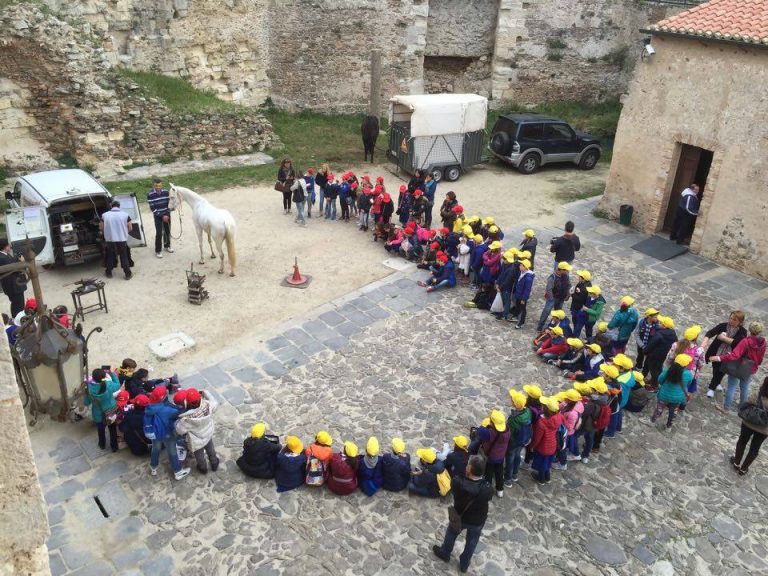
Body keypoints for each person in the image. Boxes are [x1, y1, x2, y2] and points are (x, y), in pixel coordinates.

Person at [432, 455, 494, 573]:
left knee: (451, 533)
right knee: (472, 542)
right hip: (477, 520)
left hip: (460, 515)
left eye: (467, 464)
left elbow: (454, 488)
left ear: (469, 469)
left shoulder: (458, 481)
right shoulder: (487, 488)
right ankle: (464, 564)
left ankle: (445, 552)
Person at [711, 322, 766, 412]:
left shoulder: (745, 341)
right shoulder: (763, 343)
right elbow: (760, 358)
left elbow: (734, 356)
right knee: (745, 387)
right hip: (751, 368)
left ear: (750, 329)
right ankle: (742, 407)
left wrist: (719, 357)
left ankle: (726, 408)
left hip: (739, 366)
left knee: (732, 386)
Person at [144, 386, 190, 479]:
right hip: (167, 433)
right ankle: (178, 471)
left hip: (155, 433)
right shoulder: (167, 410)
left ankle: (153, 467)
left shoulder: (150, 405)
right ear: (164, 397)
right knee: (172, 450)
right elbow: (180, 413)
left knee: (156, 448)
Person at [175, 388, 219, 474]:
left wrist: (177, 422)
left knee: (199, 455)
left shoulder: (186, 419)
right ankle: (214, 463)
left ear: (187, 402)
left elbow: (179, 431)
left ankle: (203, 468)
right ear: (200, 398)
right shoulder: (208, 405)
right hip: (208, 433)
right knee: (210, 448)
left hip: (196, 440)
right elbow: (215, 402)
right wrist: (205, 392)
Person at [704, 311, 747, 399]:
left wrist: (723, 338)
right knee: (716, 369)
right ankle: (717, 383)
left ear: (740, 322)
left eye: (734, 320)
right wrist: (704, 341)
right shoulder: (723, 326)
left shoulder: (743, 332)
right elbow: (710, 333)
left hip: (729, 355)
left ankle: (711, 388)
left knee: (721, 371)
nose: (731, 320)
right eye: (730, 318)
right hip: (716, 352)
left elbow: (738, 343)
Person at [731, 376, 768, 476]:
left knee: (742, 441)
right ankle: (743, 469)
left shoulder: (758, 394)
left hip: (748, 423)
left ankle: (736, 462)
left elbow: (747, 403)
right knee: (755, 448)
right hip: (764, 429)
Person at [83, 368, 121, 452]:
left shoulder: (89, 389)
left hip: (98, 414)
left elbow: (86, 403)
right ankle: (114, 447)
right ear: (104, 377)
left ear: (92, 377)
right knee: (113, 430)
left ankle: (102, 445)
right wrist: (111, 373)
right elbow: (118, 384)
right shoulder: (109, 384)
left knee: (101, 430)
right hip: (111, 411)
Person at [651, 354, 693, 428]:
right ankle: (668, 426)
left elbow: (660, 380)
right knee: (673, 412)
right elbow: (688, 383)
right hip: (678, 398)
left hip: (664, 395)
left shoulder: (667, 370)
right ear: (685, 365)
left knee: (659, 409)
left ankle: (652, 421)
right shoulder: (688, 374)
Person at [530, 396, 564, 484]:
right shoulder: (558, 417)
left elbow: (537, 438)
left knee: (542, 464)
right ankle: (547, 478)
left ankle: (541, 479)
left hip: (543, 447)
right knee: (548, 463)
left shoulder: (542, 423)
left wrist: (532, 446)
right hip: (553, 445)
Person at [476, 410, 510, 497]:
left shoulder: (490, 433)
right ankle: (500, 490)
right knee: (499, 472)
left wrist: (485, 425)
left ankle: (488, 490)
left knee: (489, 473)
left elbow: (479, 431)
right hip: (501, 456)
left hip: (491, 457)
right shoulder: (508, 430)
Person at [504, 389, 532, 485]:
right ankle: (515, 474)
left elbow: (509, 432)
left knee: (510, 458)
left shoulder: (513, 418)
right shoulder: (527, 411)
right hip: (523, 440)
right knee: (517, 455)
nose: (511, 400)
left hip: (513, 441)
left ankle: (508, 479)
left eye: (512, 399)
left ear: (515, 404)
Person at [100, 200, 133, 280]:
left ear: (111, 206)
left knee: (110, 255)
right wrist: (124, 232)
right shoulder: (125, 215)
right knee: (123, 256)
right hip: (122, 239)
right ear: (119, 206)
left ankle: (109, 273)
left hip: (110, 240)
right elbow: (130, 228)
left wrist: (106, 233)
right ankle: (127, 274)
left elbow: (101, 227)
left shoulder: (104, 215)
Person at [536, 262, 572, 333]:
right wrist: (552, 299)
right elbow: (548, 289)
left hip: (561, 299)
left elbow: (569, 285)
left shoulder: (566, 275)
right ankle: (540, 327)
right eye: (566, 270)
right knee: (546, 312)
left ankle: (554, 327)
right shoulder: (552, 277)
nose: (568, 271)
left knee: (558, 314)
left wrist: (568, 294)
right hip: (553, 298)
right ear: (561, 270)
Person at [644, 315, 678, 389]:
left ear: (664, 326)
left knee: (653, 370)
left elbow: (651, 345)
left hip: (654, 355)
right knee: (659, 368)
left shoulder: (659, 334)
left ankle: (654, 385)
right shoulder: (673, 333)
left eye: (660, 323)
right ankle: (654, 381)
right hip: (664, 356)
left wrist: (645, 352)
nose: (658, 323)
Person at [147, 178, 174, 258]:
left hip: (166, 215)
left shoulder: (166, 192)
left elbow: (169, 204)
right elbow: (152, 208)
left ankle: (167, 246)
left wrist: (166, 214)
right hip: (158, 216)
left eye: (159, 186)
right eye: (156, 186)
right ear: (153, 185)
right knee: (159, 233)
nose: (158, 187)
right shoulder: (150, 194)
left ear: (161, 185)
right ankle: (158, 251)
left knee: (167, 231)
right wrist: (162, 216)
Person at [0, 238, 26, 317]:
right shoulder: (2, 258)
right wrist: (22, 262)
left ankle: (18, 319)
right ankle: (17, 320)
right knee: (18, 305)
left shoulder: (5, 255)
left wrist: (17, 259)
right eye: (8, 245)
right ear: (5, 247)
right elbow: (15, 269)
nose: (10, 246)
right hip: (13, 286)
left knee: (18, 304)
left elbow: (12, 262)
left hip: (15, 285)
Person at [511, 258, 534, 329]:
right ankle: (515, 316)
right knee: (517, 306)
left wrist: (524, 299)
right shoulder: (522, 272)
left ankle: (521, 322)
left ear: (525, 267)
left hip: (522, 296)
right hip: (518, 294)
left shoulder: (528, 278)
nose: (519, 266)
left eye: (521, 265)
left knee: (523, 309)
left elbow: (527, 290)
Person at [635, 308, 660, 374]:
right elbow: (636, 334)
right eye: (655, 317)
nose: (656, 318)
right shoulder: (641, 322)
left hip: (650, 347)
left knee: (648, 360)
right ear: (649, 316)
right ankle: (638, 367)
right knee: (640, 356)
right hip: (641, 345)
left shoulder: (658, 325)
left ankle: (644, 373)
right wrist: (641, 345)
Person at [569, 270, 592, 338]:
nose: (578, 277)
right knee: (576, 324)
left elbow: (580, 299)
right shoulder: (586, 284)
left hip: (578, 308)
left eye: (580, 276)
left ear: (583, 279)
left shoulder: (584, 289)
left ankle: (574, 338)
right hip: (577, 307)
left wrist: (572, 294)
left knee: (577, 324)